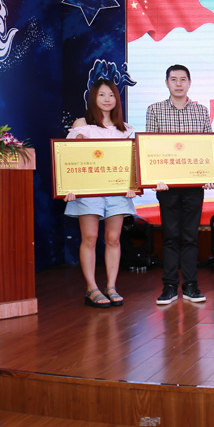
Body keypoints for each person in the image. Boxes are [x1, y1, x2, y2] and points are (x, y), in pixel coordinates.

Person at [64, 79, 137, 308]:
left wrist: (133, 185)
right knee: (90, 237)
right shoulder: (82, 124)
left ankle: (111, 286)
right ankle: (92, 288)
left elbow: (131, 162)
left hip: (117, 192)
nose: (107, 99)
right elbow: (70, 158)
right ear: (93, 98)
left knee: (113, 238)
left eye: (112, 95)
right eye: (102, 95)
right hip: (88, 191)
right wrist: (68, 187)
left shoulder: (125, 129)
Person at [146, 64, 213, 305]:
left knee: (191, 237)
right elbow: (150, 147)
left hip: (194, 186)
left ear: (190, 82)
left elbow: (208, 147)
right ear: (166, 83)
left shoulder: (201, 111)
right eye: (173, 79)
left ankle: (191, 285)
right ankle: (169, 286)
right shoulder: (155, 110)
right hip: (167, 186)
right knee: (170, 237)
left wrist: (210, 174)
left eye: (183, 79)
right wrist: (154, 178)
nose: (178, 84)